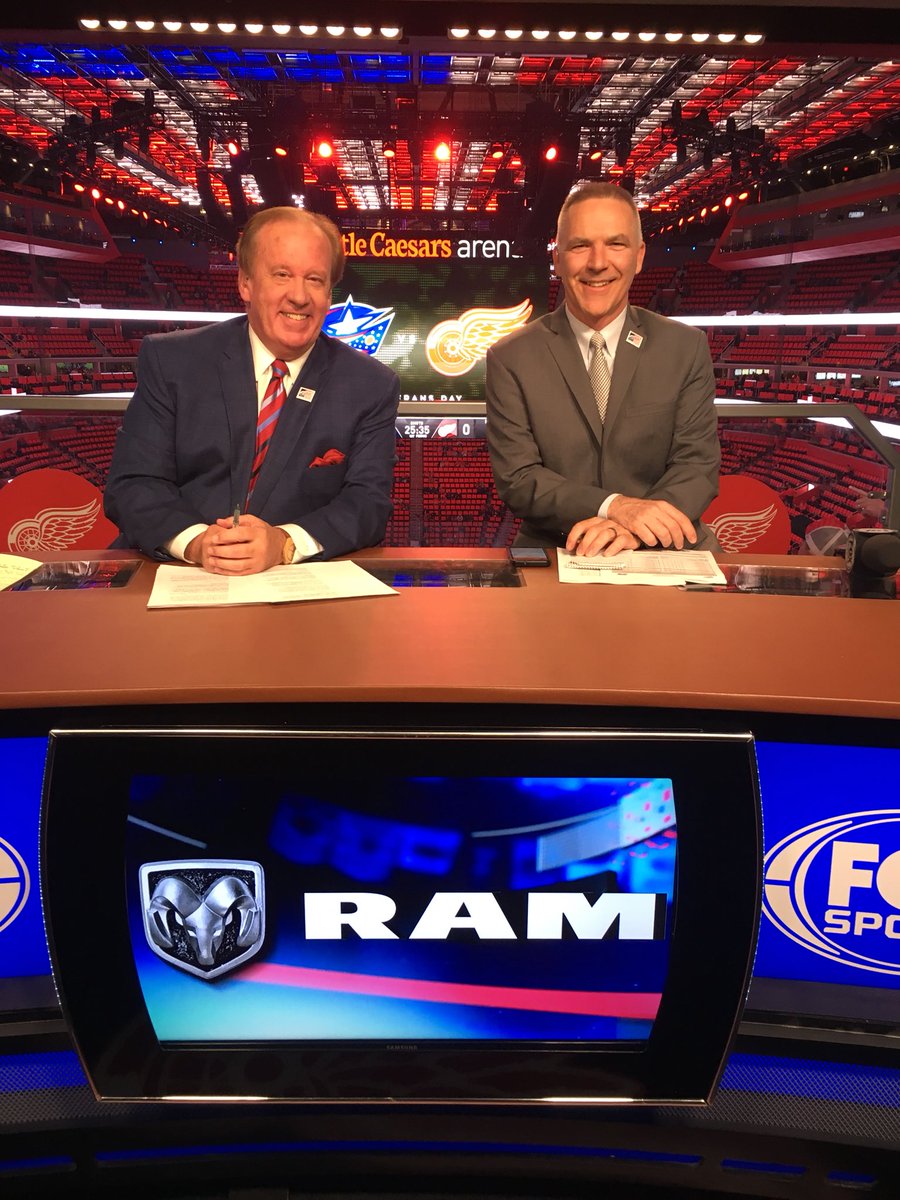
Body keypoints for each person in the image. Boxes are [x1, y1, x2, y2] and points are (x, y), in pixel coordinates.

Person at [105, 207, 399, 573]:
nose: (299, 296)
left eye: (314, 279)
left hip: (291, 580)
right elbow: (133, 483)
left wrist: (284, 543)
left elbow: (368, 504)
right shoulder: (172, 360)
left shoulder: (370, 384)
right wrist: (198, 543)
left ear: (328, 294)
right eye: (281, 275)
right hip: (176, 571)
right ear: (245, 283)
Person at [486, 182, 720, 557]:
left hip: (664, 546)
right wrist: (614, 507)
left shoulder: (685, 346)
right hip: (560, 545)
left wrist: (637, 528)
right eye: (580, 245)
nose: (598, 263)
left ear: (639, 257)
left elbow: (697, 465)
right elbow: (520, 478)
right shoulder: (510, 356)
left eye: (616, 244)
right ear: (557, 259)